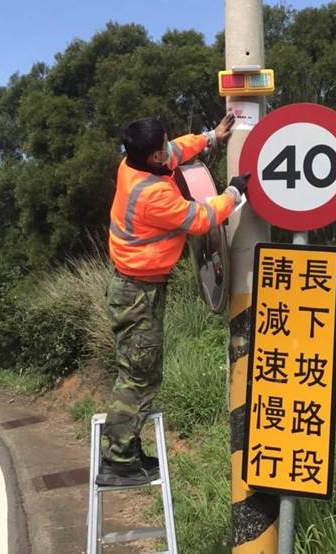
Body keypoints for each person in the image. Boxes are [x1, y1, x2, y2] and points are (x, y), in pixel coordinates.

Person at [97, 112, 249, 487]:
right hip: (137, 293)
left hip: (136, 287)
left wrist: (211, 137)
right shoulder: (153, 195)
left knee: (141, 370)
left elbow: (178, 150)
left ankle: (125, 450)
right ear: (153, 158)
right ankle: (119, 461)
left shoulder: (132, 165)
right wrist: (233, 192)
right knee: (139, 374)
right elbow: (200, 219)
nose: (169, 147)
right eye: (162, 145)